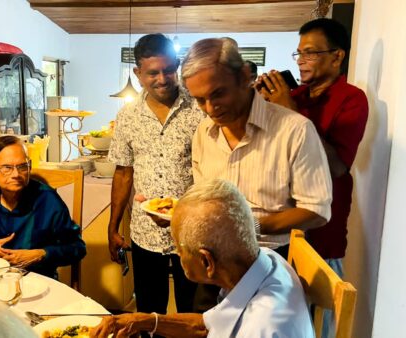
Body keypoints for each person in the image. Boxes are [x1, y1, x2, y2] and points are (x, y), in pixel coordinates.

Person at [181, 37, 332, 312]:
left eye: (218, 94)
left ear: (244, 76)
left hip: (272, 263)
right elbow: (204, 196)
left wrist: (249, 227)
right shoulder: (204, 131)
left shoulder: (294, 130)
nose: (211, 108)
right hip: (214, 265)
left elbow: (317, 210)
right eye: (200, 100)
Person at [91, 179, 314, 338]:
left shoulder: (260, 328)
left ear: (206, 262)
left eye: (179, 248)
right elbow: (207, 326)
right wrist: (143, 321)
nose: (177, 254)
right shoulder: (265, 261)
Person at [107, 34, 204, 323]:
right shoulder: (128, 116)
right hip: (145, 232)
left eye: (169, 70)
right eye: (153, 73)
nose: (163, 79)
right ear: (138, 74)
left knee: (193, 311)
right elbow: (124, 171)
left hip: (192, 230)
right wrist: (112, 227)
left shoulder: (200, 108)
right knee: (149, 312)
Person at [257, 18, 368, 269]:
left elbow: (338, 167)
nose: (300, 60)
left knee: (316, 304)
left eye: (310, 53)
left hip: (321, 228)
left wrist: (289, 110)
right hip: (280, 226)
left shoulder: (352, 99)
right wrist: (257, 104)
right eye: (299, 53)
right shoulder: (295, 95)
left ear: (337, 56)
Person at [0, 136, 86, 278]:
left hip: (37, 283)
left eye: (22, 166)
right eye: (7, 168)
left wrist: (40, 254)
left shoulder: (48, 200)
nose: (16, 174)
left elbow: (78, 248)